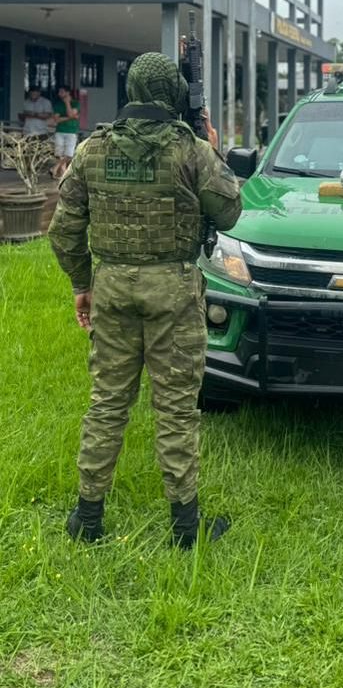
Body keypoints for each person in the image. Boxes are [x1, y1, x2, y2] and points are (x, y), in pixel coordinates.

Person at [48, 52, 242, 549]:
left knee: (108, 403)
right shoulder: (191, 151)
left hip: (112, 288)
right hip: (173, 291)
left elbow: (63, 230)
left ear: (132, 91)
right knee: (176, 407)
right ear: (173, 94)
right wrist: (211, 149)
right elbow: (230, 213)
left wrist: (82, 283)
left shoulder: (92, 150)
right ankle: (184, 527)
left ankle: (87, 518)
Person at [50, 85, 81, 179]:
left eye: (62, 92)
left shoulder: (76, 103)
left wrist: (67, 103)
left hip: (71, 131)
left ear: (68, 93)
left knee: (69, 154)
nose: (59, 94)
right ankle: (62, 173)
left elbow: (70, 113)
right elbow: (56, 120)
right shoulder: (58, 104)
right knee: (59, 153)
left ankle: (54, 168)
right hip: (60, 131)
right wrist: (71, 117)